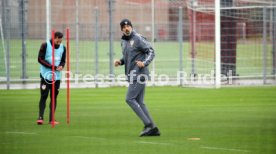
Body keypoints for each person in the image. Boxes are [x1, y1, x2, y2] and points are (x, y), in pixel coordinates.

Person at [114, 19, 160, 137]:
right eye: (124, 27)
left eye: (128, 26)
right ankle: (153, 128)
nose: (126, 28)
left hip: (140, 74)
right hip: (133, 74)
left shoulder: (138, 38)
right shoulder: (123, 41)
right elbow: (128, 56)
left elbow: (151, 51)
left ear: (131, 27)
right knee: (139, 102)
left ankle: (148, 125)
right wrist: (121, 61)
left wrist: (144, 63)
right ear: (121, 29)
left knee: (129, 99)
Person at [36, 31, 66, 125]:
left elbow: (63, 60)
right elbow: (40, 59)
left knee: (54, 97)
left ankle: (52, 119)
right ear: (54, 38)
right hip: (46, 75)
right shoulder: (45, 45)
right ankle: (40, 117)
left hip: (56, 77)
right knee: (44, 96)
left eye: (61, 41)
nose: (59, 43)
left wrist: (61, 66)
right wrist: (51, 66)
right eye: (58, 41)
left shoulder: (63, 47)